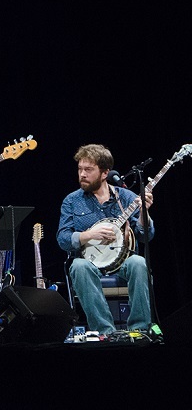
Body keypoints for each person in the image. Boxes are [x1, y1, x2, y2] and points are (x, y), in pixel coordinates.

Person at [57, 143, 154, 334]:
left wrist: (144, 212)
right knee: (78, 266)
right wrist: (88, 235)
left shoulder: (125, 197)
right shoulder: (72, 201)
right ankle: (105, 333)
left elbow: (145, 236)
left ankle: (139, 330)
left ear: (104, 173)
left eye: (88, 170)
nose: (82, 174)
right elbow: (63, 238)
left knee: (139, 263)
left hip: (122, 262)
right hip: (89, 262)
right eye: (80, 169)